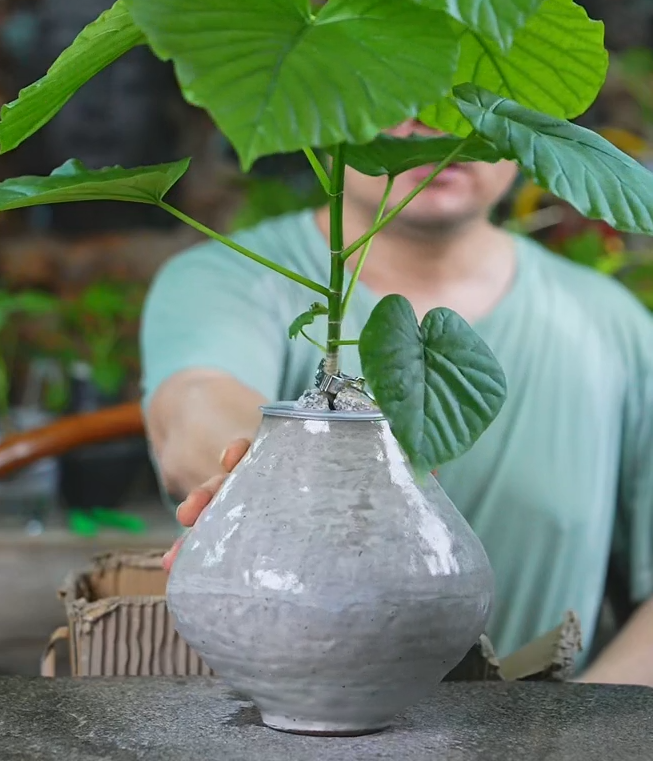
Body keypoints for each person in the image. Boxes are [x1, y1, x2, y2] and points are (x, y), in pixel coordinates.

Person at [143, 120, 653, 684]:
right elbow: (195, 405)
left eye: (469, 94)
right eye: (401, 82)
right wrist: (270, 481)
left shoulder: (615, 327)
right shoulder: (230, 277)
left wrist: (578, 731)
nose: (432, 121)